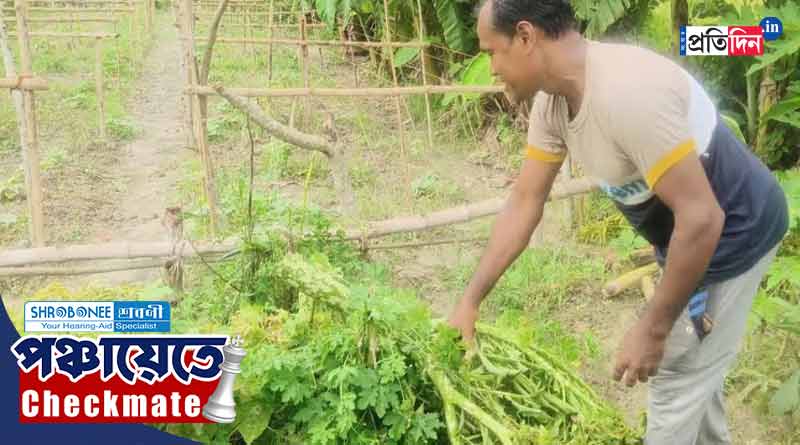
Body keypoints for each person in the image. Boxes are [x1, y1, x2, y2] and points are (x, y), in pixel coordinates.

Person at [447, 1, 790, 443]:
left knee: (674, 375)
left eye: (492, 51)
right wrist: (470, 302)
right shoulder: (552, 105)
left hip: (735, 235)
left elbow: (703, 218)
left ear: (527, 37)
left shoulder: (627, 95)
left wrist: (653, 327)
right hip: (688, 235)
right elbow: (525, 201)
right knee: (694, 381)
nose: (490, 67)